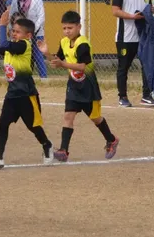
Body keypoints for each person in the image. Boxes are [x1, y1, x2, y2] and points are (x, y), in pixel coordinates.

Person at [0, 11, 53, 169]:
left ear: (28, 35)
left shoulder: (24, 46)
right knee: (3, 124)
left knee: (33, 126)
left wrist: (3, 24)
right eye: (13, 31)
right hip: (12, 94)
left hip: (26, 95)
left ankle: (47, 145)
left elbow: (4, 45)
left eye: (18, 32)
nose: (14, 33)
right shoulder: (11, 47)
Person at [50, 10, 119, 162]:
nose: (67, 31)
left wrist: (62, 64)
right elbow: (58, 60)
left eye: (70, 28)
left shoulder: (83, 44)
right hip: (73, 86)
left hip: (88, 87)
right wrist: (46, 54)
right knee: (68, 116)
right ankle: (64, 151)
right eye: (64, 28)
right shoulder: (64, 42)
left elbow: (82, 67)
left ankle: (111, 139)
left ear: (79, 27)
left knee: (96, 118)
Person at [111, 0, 153, 107]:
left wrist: (149, 12)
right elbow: (115, 11)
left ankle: (147, 95)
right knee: (123, 68)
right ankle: (122, 97)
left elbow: (149, 8)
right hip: (126, 37)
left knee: (147, 66)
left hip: (143, 37)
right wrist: (132, 16)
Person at [8, 0, 47, 78]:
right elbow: (11, 16)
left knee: (38, 56)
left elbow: (41, 17)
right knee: (23, 56)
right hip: (21, 34)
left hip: (36, 33)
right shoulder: (15, 0)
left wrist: (33, 30)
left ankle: (44, 78)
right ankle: (21, 76)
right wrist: (11, 29)